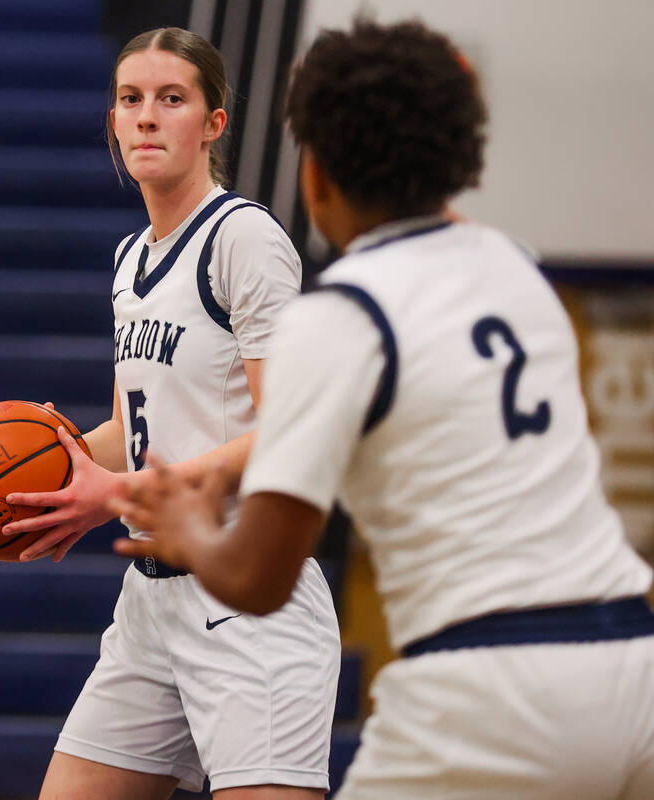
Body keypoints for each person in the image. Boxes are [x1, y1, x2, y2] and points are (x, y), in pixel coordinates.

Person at [114, 18, 654, 799]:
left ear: (316, 176)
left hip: (491, 683)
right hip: (632, 657)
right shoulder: (518, 268)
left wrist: (188, 528)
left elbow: (259, 577)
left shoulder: (340, 319)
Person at [0, 27, 341, 798]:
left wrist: (115, 494)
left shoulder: (243, 238)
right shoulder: (130, 258)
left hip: (247, 590)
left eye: (171, 98)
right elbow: (130, 430)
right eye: (131, 99)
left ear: (214, 123)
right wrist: (40, 452)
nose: (147, 116)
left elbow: (293, 433)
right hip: (150, 601)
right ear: (114, 122)